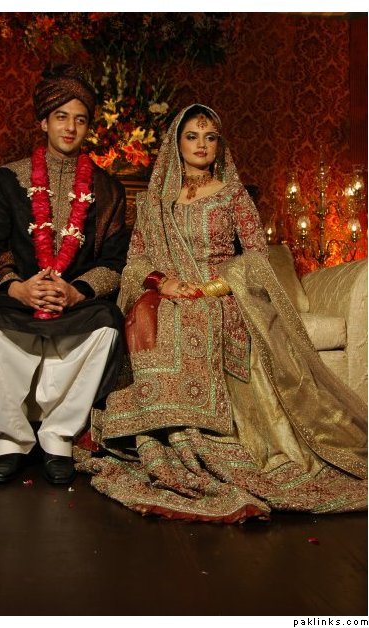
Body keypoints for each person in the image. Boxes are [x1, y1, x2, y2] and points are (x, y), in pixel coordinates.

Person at [75, 104, 367, 522]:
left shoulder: (232, 194)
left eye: (210, 137)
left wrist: (213, 287)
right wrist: (164, 283)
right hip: (170, 291)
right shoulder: (156, 202)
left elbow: (256, 256)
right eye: (192, 136)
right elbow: (136, 260)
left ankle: (204, 442)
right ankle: (165, 436)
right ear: (176, 143)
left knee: (197, 318)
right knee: (154, 317)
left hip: (222, 293)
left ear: (219, 145)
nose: (201, 145)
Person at [0, 64, 129, 485]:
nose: (70, 127)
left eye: (80, 119)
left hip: (73, 301)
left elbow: (115, 262)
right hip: (20, 295)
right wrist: (18, 288)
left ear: (88, 127)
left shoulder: (108, 189)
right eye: (61, 116)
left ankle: (58, 437)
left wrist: (77, 292)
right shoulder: (10, 179)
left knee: (107, 324)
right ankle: (8, 442)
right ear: (44, 121)